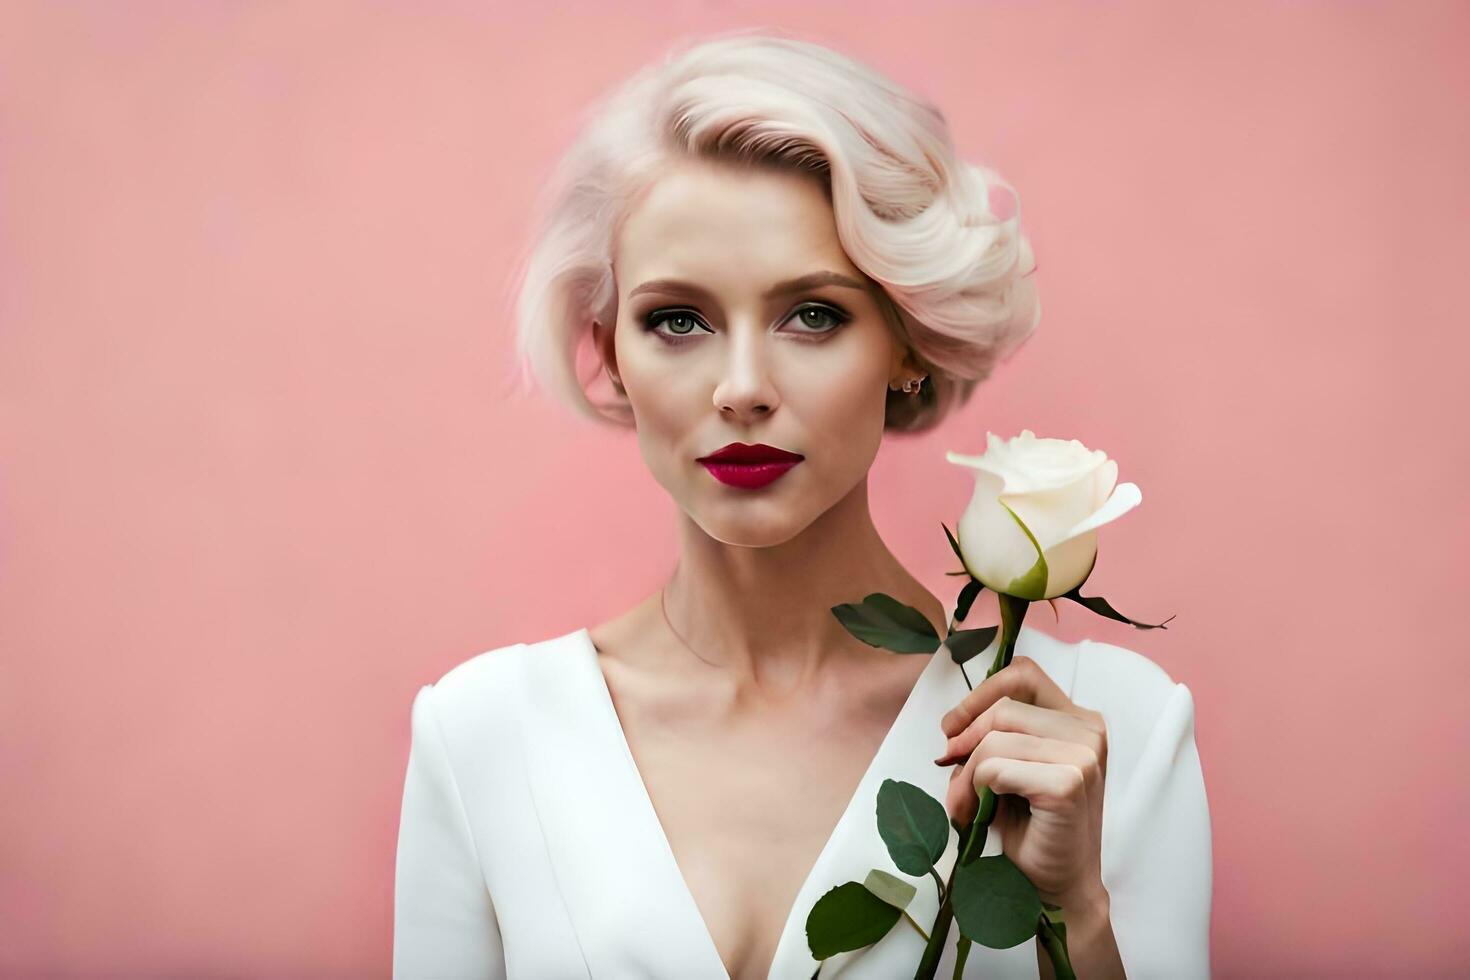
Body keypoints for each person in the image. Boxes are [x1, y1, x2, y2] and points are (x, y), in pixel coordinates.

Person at [393, 29, 1211, 980]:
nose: (741, 387)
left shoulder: (1110, 729)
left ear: (905, 341)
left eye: (812, 314)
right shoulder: (483, 737)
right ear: (610, 349)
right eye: (678, 320)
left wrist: (1073, 916)